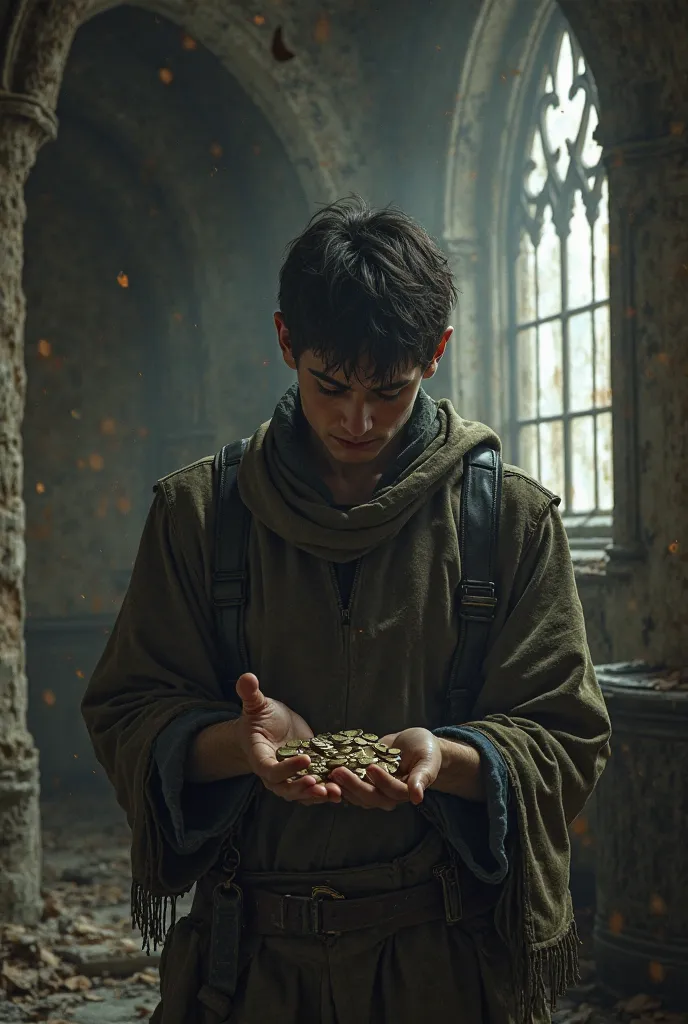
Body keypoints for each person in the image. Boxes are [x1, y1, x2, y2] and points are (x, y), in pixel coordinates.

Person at [81, 195, 611, 1024]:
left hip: (446, 969)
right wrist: (241, 745)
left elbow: (570, 733)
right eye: (331, 385)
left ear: (434, 353)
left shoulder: (508, 521)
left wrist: (445, 755)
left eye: (390, 392)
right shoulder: (197, 515)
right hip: (247, 968)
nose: (357, 420)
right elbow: (125, 709)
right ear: (286, 341)